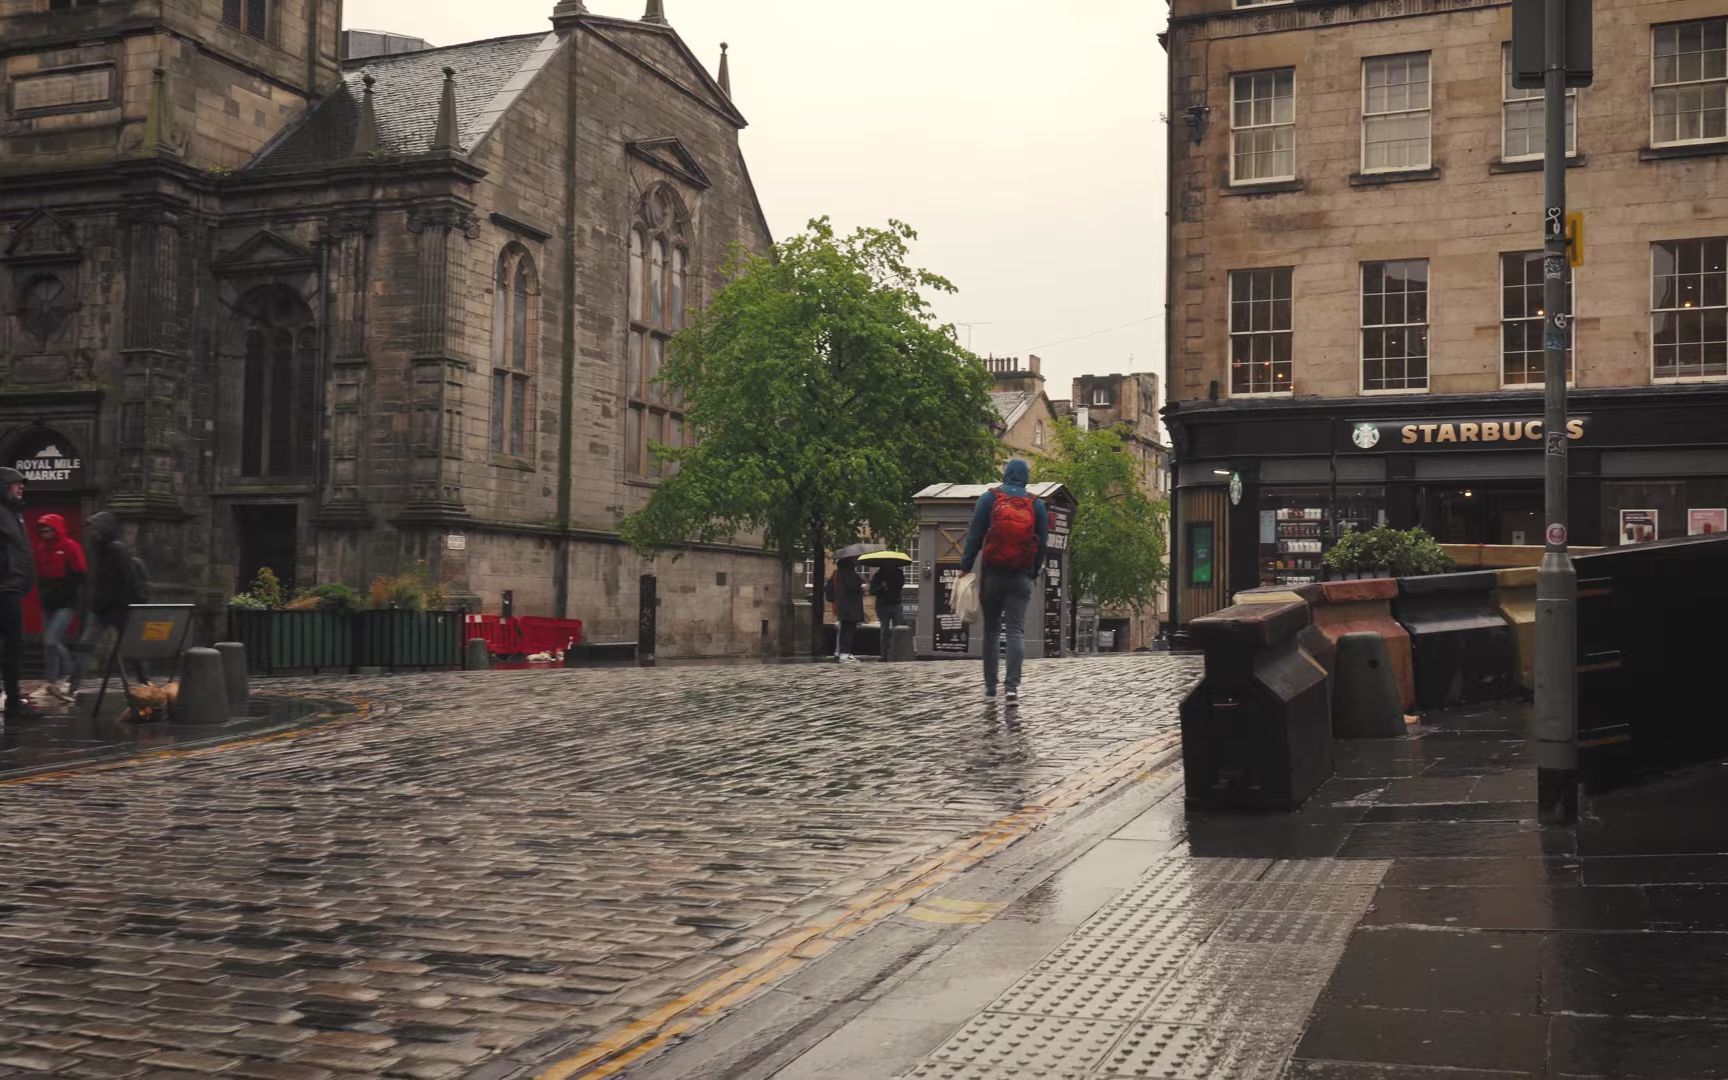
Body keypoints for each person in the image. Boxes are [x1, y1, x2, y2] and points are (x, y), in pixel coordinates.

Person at [960, 459, 1049, 706]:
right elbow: (1042, 543)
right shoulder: (1036, 504)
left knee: (991, 630)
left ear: (1006, 474)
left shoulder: (989, 499)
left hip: (993, 575)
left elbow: (974, 537)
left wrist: (965, 567)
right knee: (1015, 631)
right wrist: (1032, 570)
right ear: (1026, 477)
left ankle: (990, 687)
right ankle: (1012, 689)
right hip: (1020, 576)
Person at [68, 512, 150, 696]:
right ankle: (73, 683)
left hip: (120, 607)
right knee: (85, 644)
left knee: (132, 646)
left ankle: (145, 681)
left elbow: (128, 578)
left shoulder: (117, 549)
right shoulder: (95, 549)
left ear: (105, 529)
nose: (93, 533)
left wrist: (133, 602)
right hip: (101, 608)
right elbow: (95, 579)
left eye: (96, 529)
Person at [0, 469, 44, 720]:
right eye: (16, 484)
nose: (21, 488)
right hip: (4, 586)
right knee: (14, 642)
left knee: (12, 643)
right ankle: (14, 700)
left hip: (12, 586)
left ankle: (13, 697)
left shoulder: (14, 514)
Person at [32, 513, 85, 703]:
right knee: (50, 644)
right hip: (49, 602)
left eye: (48, 528)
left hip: (67, 603)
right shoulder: (41, 548)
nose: (44, 532)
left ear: (57, 528)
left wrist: (69, 594)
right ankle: (51, 683)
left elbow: (80, 573)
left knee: (51, 641)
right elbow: (39, 572)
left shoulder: (70, 547)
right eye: (42, 529)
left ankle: (69, 675)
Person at [825, 556, 866, 664]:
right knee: (848, 630)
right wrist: (861, 584)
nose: (856, 562)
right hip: (850, 607)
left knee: (844, 629)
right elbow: (853, 587)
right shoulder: (849, 573)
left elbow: (828, 589)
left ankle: (841, 653)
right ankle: (845, 654)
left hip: (841, 605)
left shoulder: (837, 573)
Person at [869, 561, 906, 662]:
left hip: (896, 603)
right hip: (883, 605)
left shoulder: (899, 574)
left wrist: (890, 583)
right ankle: (884, 655)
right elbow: (872, 590)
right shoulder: (878, 576)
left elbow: (900, 586)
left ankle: (898, 653)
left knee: (898, 630)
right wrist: (881, 587)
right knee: (884, 630)